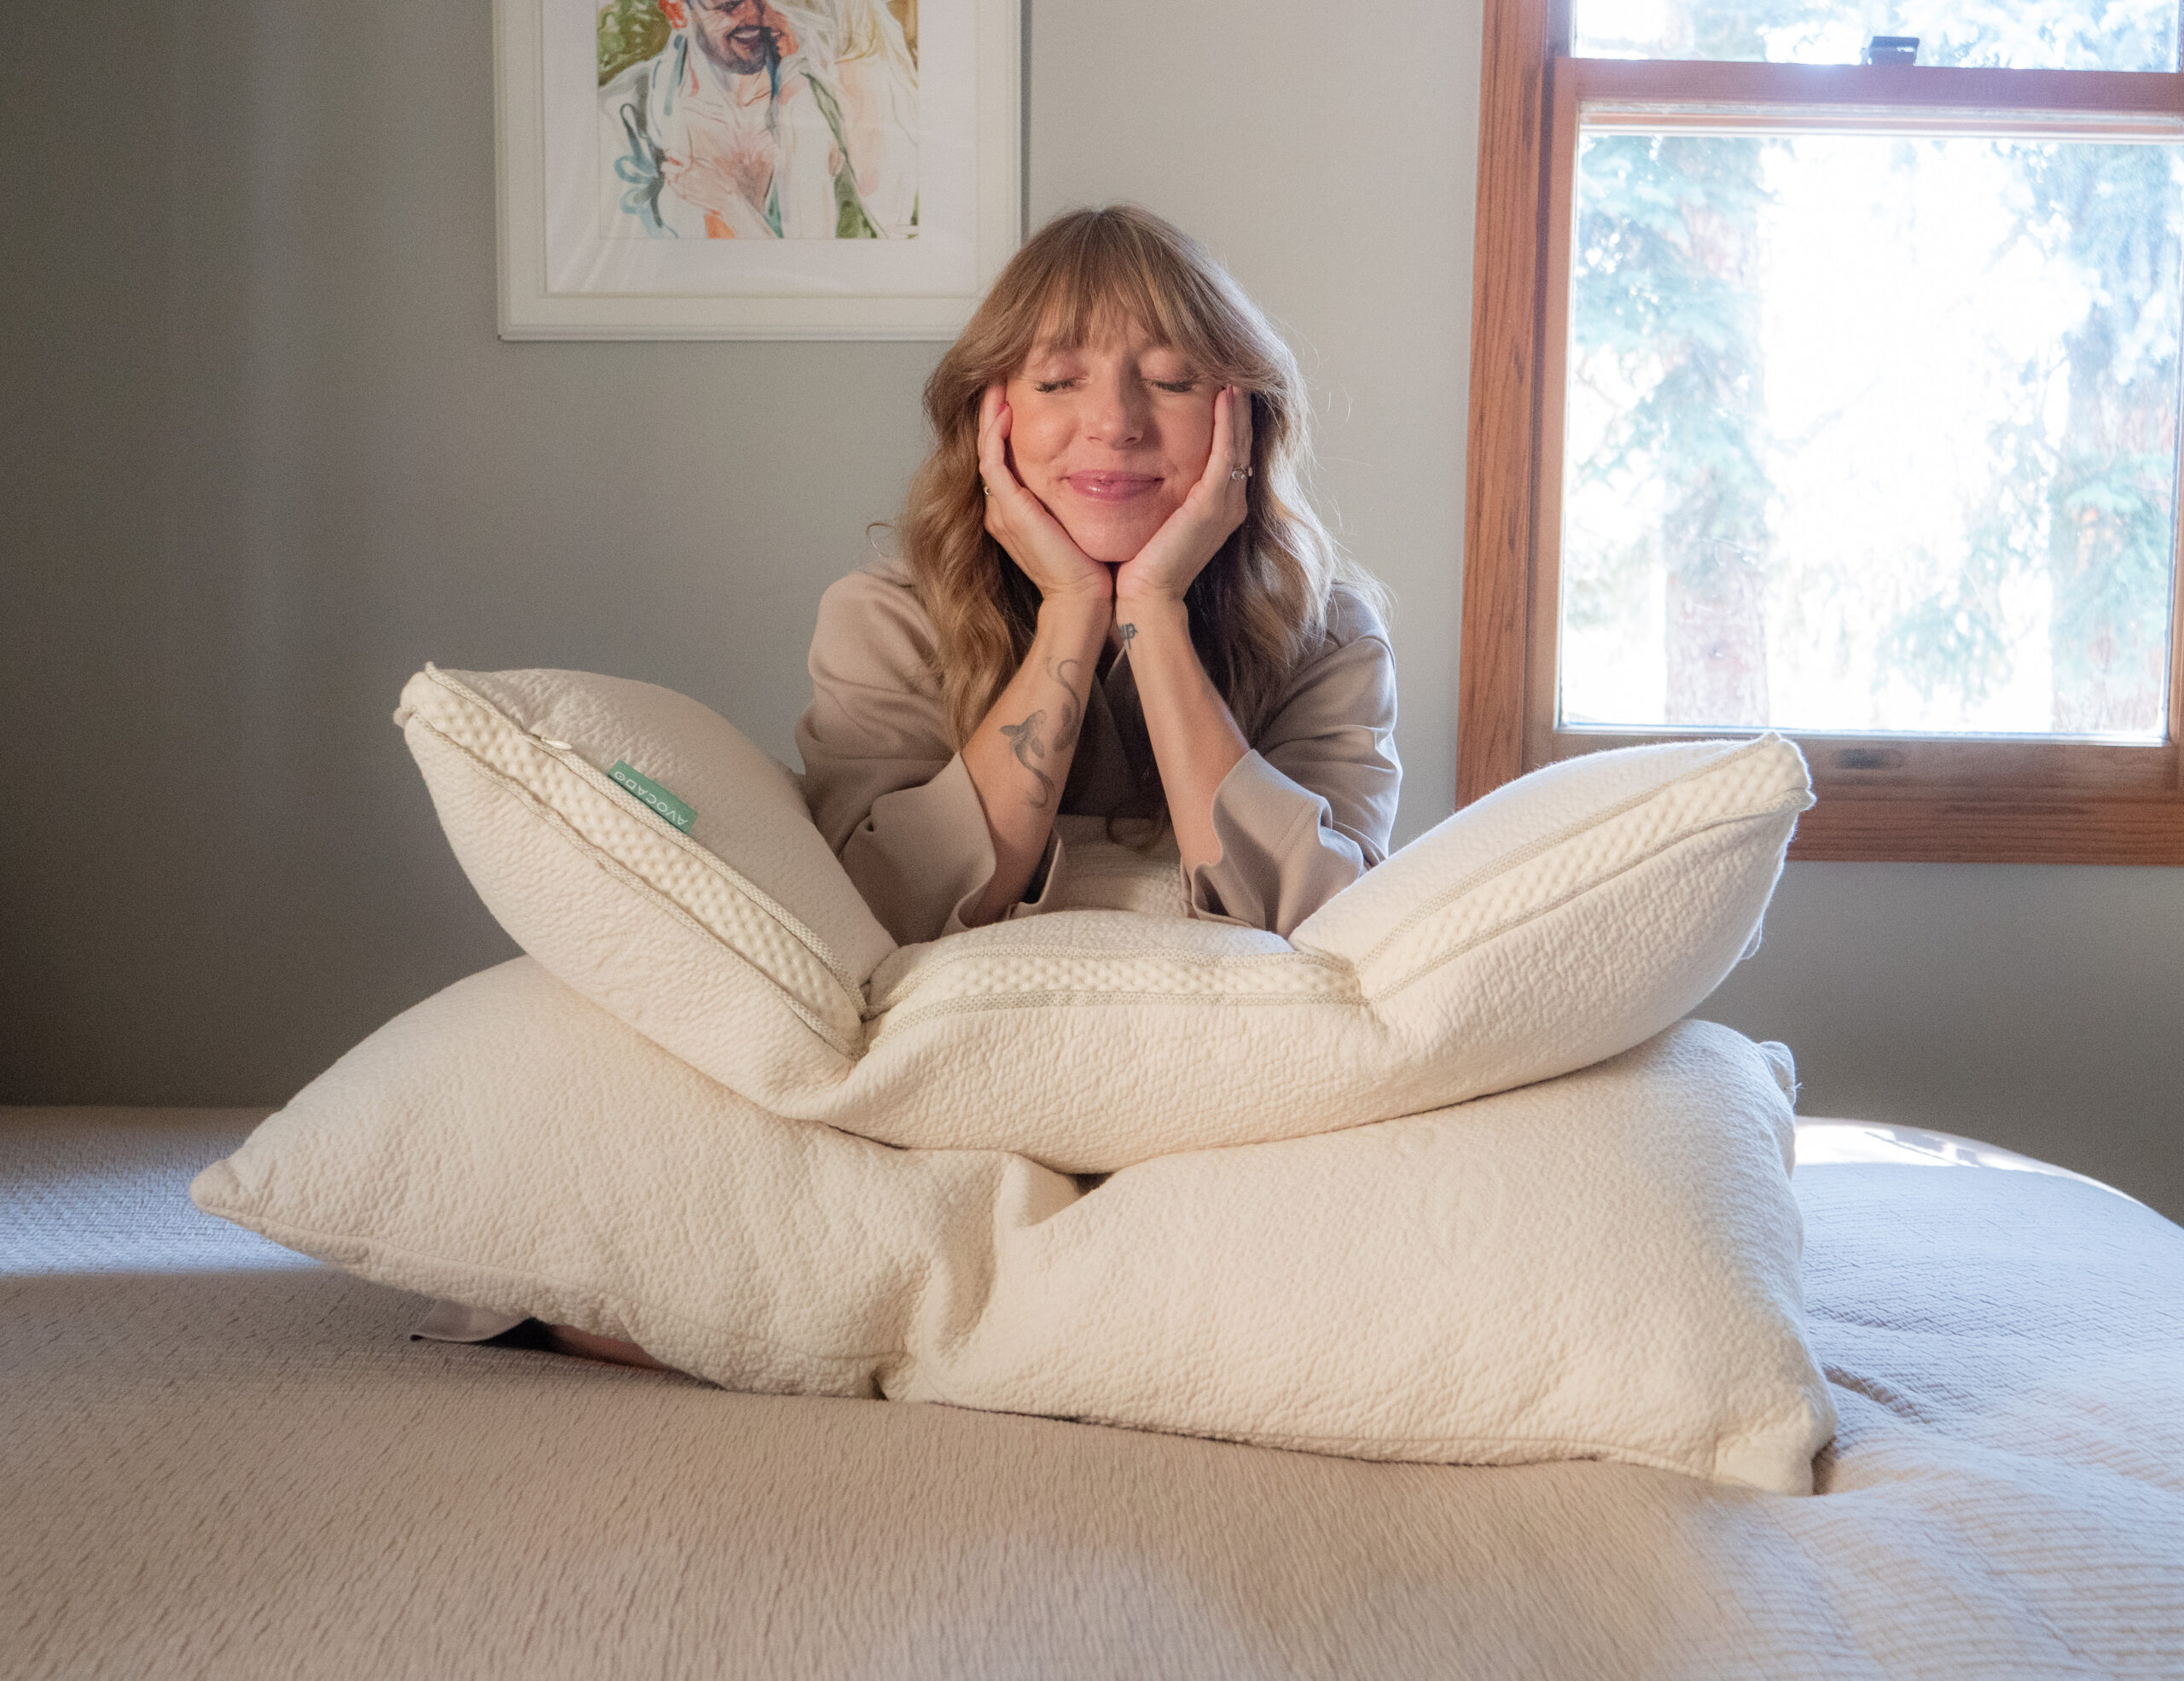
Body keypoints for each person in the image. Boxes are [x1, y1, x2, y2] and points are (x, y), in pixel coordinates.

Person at [797, 203, 1400, 943]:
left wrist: (1154, 609)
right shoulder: (882, 621)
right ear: (988, 418)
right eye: (1057, 382)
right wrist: (1071, 611)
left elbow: (1327, 921)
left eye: (1173, 381)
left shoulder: (1329, 637)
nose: (1115, 422)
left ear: (1243, 423)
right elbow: (883, 913)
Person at [601, 0, 917, 241]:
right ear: (676, 11)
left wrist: (729, 203)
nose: (755, 16)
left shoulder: (815, 99)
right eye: (731, 4)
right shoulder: (624, 113)